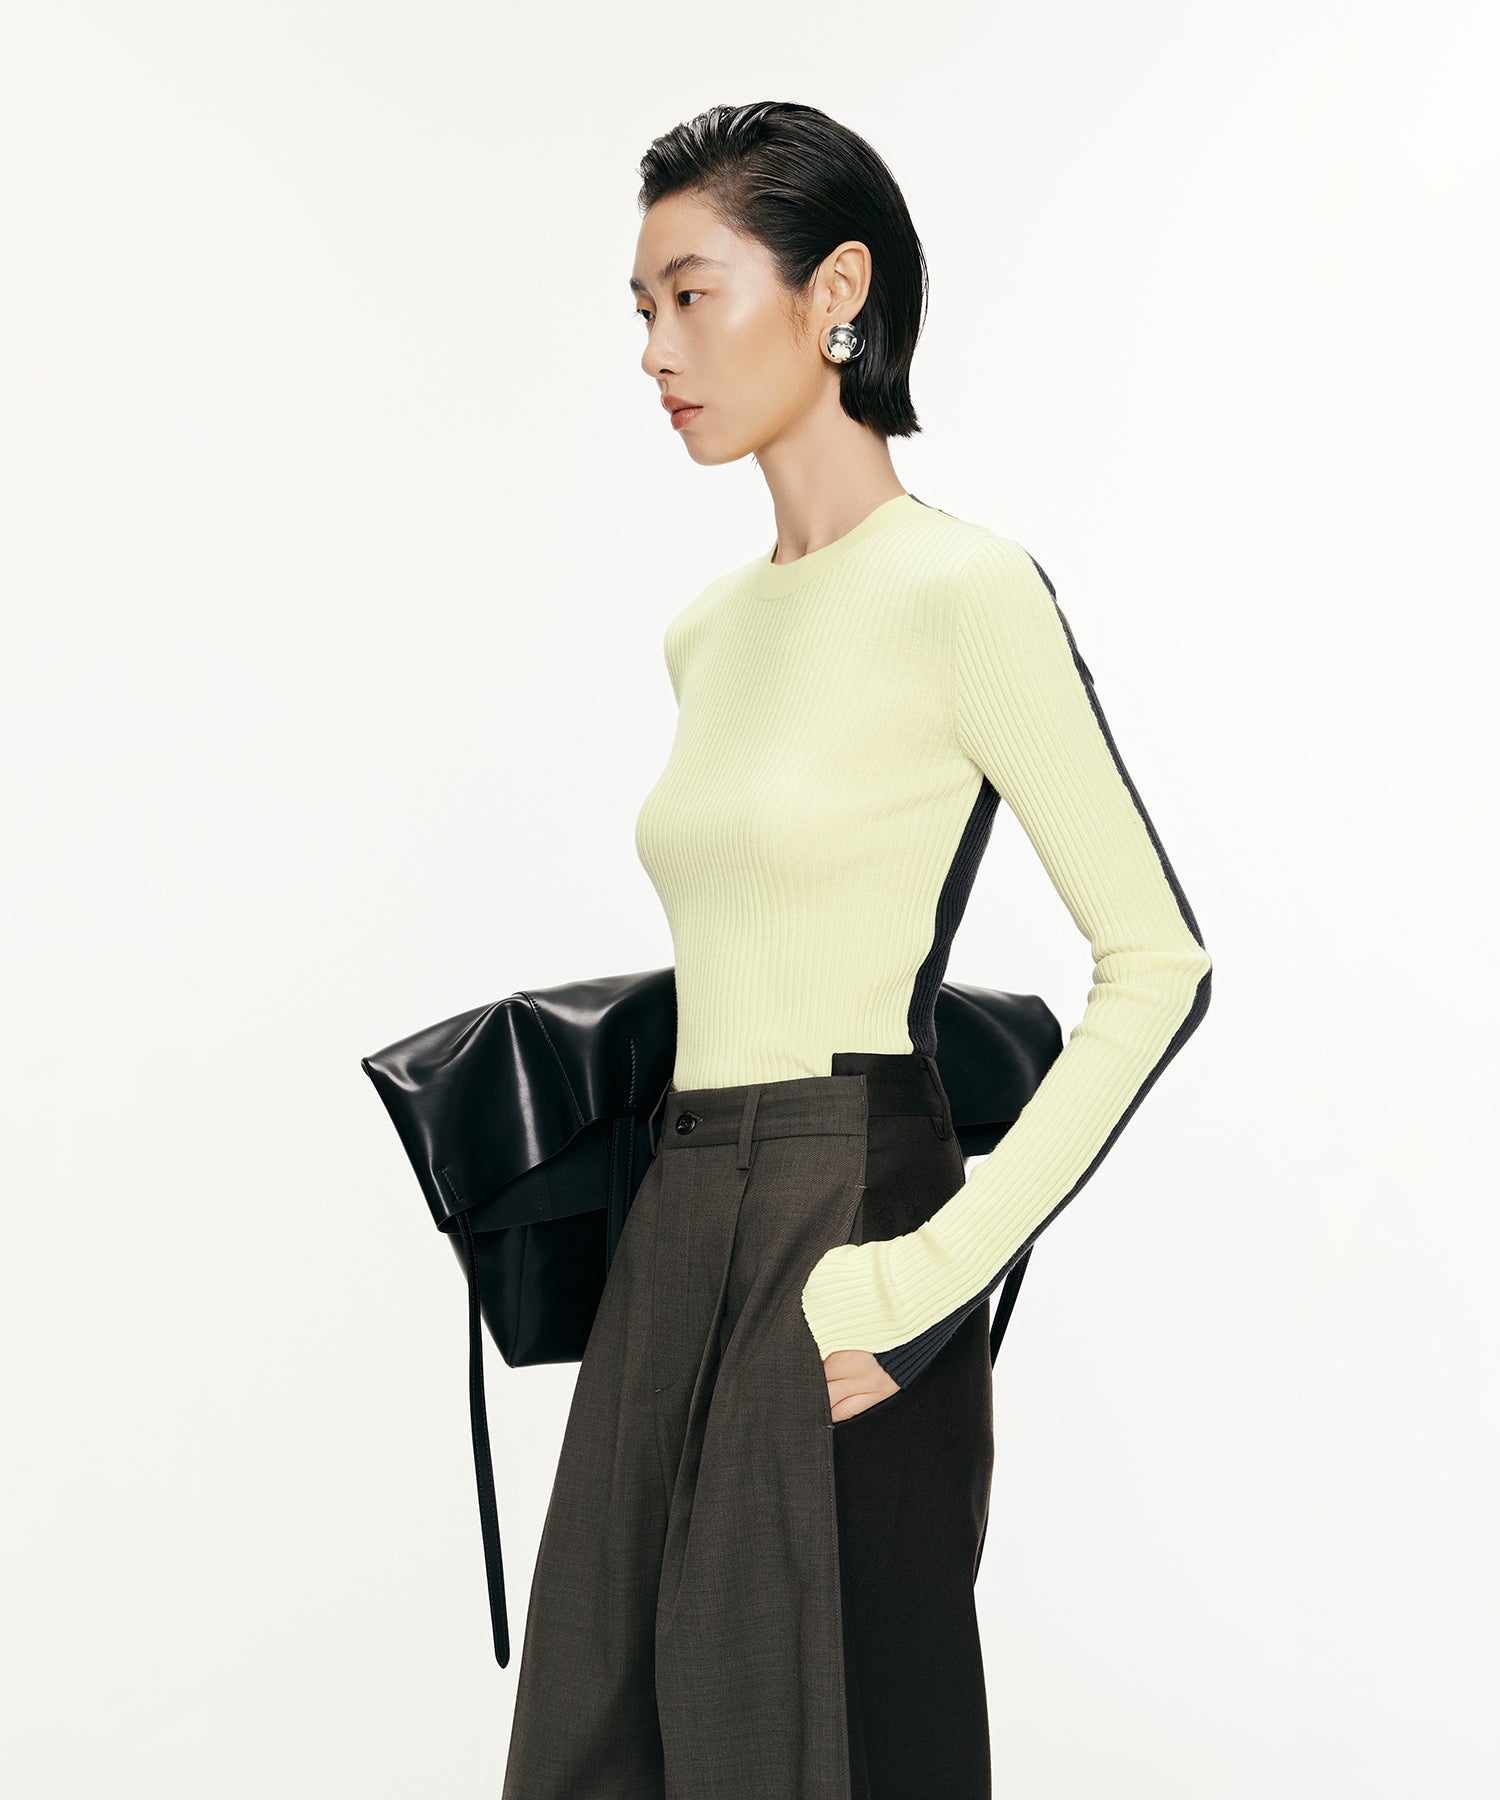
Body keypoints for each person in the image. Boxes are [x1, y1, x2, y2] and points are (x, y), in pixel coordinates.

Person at [500, 101, 1213, 1800]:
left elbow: (1156, 963)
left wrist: (925, 1280)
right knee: (599, 1732)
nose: (656, 350)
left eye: (692, 295)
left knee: (816, 1743)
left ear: (836, 293)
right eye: (642, 309)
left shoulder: (964, 591)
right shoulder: (708, 633)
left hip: (849, 1211)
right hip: (676, 1219)